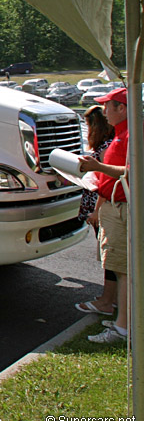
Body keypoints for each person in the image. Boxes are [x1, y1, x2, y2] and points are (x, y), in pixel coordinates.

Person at [77, 87, 130, 344]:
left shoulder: (131, 135)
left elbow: (131, 171)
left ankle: (123, 330)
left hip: (122, 209)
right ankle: (124, 322)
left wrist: (96, 166)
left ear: (122, 108)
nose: (104, 111)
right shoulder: (121, 134)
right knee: (120, 269)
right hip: (112, 205)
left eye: (108, 105)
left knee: (123, 269)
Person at [73, 104, 117, 315]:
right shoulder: (110, 144)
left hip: (100, 204)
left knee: (110, 254)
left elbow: (105, 182)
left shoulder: (105, 147)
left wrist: (96, 211)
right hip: (99, 201)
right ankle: (114, 296)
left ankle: (107, 299)